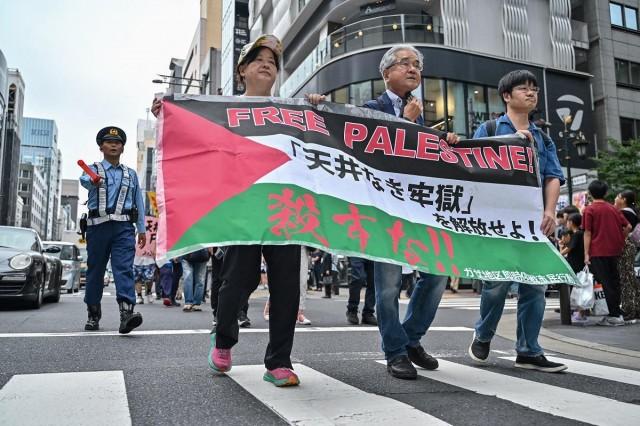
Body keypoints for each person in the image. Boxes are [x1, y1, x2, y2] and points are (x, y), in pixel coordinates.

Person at [157, 35, 304, 387]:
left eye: (272, 60)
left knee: (287, 286)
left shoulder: (291, 111)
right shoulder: (223, 110)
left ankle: (279, 362)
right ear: (242, 71)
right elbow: (194, 142)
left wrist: (315, 107)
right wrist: (170, 112)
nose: (267, 64)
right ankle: (223, 339)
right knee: (240, 279)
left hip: (284, 209)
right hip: (242, 209)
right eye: (258, 59)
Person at [358, 45, 458, 380]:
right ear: (386, 72)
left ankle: (411, 337)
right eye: (405, 64)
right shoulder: (370, 108)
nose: (413, 69)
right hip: (384, 210)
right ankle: (396, 352)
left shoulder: (423, 114)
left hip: (418, 209)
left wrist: (445, 141)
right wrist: (407, 122)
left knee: (437, 273)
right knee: (387, 286)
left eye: (417, 64)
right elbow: (373, 150)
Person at [467, 70, 567, 373]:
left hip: (535, 223)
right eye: (524, 89)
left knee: (535, 286)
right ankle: (483, 334)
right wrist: (508, 143)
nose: (531, 93)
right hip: (499, 222)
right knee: (496, 283)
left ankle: (528, 349)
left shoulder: (543, 137)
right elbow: (471, 166)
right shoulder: (489, 128)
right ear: (507, 96)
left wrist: (550, 211)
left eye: (534, 89)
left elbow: (553, 177)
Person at [80, 126, 145, 334]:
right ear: (101, 147)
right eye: (109, 142)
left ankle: (127, 314)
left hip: (124, 228)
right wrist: (92, 180)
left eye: (117, 142)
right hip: (97, 228)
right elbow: (84, 181)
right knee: (95, 271)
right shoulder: (92, 169)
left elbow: (139, 203)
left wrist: (141, 229)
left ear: (123, 148)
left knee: (124, 268)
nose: (114, 144)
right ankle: (93, 312)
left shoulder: (131, 174)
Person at [562, 213, 586, 323]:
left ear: (571, 222)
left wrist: (558, 254)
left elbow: (570, 248)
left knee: (577, 288)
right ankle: (580, 312)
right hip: (578, 263)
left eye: (568, 221)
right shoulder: (579, 233)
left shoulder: (577, 234)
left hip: (576, 265)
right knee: (578, 288)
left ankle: (581, 313)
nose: (567, 223)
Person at [346, 257, 377, 325]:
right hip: (357, 250)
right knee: (358, 278)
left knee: (374, 281)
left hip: (373, 250)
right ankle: (352, 310)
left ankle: (368, 313)